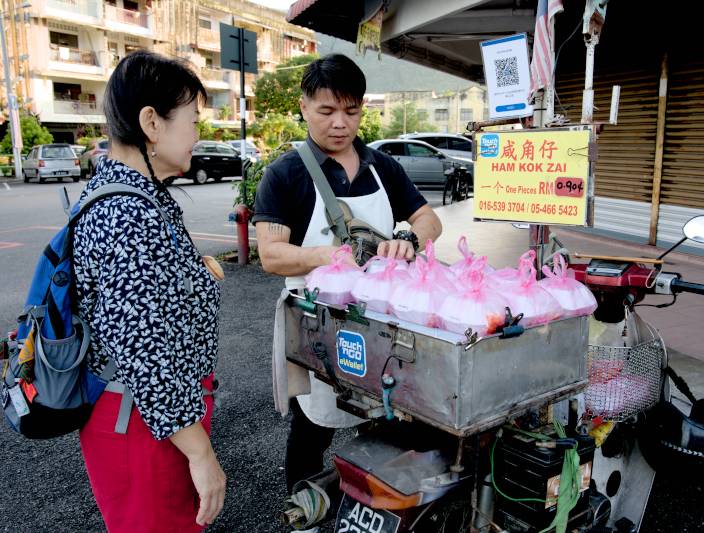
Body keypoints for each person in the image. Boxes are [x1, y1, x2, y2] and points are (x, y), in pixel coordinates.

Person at [254, 54, 442, 493]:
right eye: (327, 111)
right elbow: (271, 254)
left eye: (352, 111)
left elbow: (430, 222)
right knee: (311, 425)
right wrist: (331, 256)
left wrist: (409, 242)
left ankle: (373, 500)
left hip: (378, 320)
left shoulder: (382, 167)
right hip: (318, 324)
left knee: (386, 416)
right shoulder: (286, 174)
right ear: (303, 107)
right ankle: (304, 504)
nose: (340, 123)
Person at [73, 51, 226, 532]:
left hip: (150, 418)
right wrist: (202, 456)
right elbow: (146, 353)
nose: (198, 134)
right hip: (143, 423)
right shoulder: (127, 214)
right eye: (193, 120)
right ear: (151, 123)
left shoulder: (134, 195)